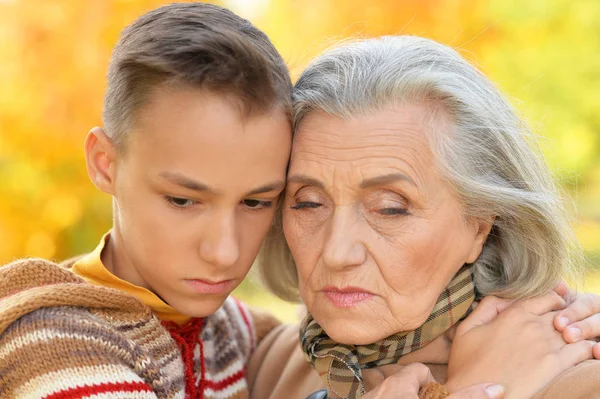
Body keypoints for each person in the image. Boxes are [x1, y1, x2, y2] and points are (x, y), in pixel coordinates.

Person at [249, 35, 600, 399]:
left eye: (390, 208)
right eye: (308, 203)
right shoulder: (263, 363)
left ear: (480, 226)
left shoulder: (576, 382)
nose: (337, 252)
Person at [0, 3, 292, 398]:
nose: (225, 252)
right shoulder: (52, 342)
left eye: (256, 202)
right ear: (105, 164)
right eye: (183, 200)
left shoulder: (230, 329)